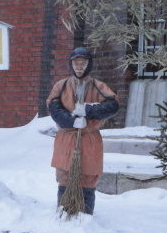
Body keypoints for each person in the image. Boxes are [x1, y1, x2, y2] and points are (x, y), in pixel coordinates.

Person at [46, 47, 119, 215]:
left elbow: (113, 105)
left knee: (88, 174)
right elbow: (54, 108)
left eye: (83, 63)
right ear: (71, 65)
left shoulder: (98, 86)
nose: (79, 67)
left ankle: (85, 214)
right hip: (66, 138)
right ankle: (64, 211)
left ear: (89, 64)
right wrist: (71, 120)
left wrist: (88, 110)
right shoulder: (61, 86)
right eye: (76, 63)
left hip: (89, 138)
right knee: (64, 173)